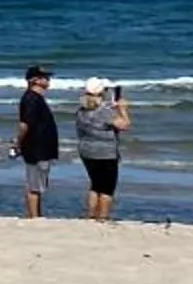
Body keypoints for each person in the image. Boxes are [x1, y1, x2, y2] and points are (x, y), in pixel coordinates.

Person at [71, 77, 130, 223]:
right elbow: (125, 125)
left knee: (95, 184)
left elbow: (98, 113)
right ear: (101, 93)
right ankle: (103, 217)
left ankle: (91, 216)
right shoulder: (104, 112)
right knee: (107, 188)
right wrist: (123, 110)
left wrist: (112, 106)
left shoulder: (81, 110)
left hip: (86, 151)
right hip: (105, 153)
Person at [12, 65, 59, 218]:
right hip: (35, 148)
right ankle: (34, 216)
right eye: (43, 77)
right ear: (34, 80)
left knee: (38, 184)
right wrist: (18, 142)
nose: (47, 80)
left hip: (41, 147)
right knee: (34, 186)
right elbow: (24, 124)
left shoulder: (37, 98)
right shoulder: (31, 99)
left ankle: (36, 214)